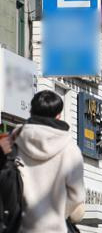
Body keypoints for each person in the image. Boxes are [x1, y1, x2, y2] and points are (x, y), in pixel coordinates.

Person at [14, 90, 85, 233]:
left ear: (31, 111)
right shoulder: (70, 148)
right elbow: (77, 195)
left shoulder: (13, 141)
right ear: (58, 116)